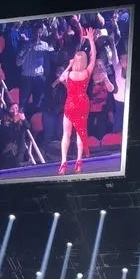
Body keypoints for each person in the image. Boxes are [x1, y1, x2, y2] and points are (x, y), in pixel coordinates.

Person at [57, 27, 96, 175]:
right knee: (81, 132)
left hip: (71, 104)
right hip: (83, 103)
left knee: (66, 134)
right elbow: (94, 56)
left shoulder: (69, 74)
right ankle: (78, 163)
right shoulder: (87, 72)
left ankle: (63, 163)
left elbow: (60, 78)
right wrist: (91, 40)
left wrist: (69, 65)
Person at [16, 24, 54, 112]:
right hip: (26, 78)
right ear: (32, 33)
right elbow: (18, 63)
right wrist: (28, 50)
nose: (38, 35)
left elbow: (50, 59)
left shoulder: (45, 45)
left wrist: (46, 75)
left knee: (38, 102)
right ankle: (22, 118)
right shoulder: (25, 44)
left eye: (40, 33)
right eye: (36, 33)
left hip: (39, 77)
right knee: (23, 102)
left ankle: (35, 117)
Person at [88, 59, 115, 139]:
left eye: (100, 65)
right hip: (90, 109)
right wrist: (94, 82)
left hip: (103, 109)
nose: (98, 67)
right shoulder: (89, 79)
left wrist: (106, 79)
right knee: (90, 131)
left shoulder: (107, 77)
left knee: (101, 131)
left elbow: (111, 90)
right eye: (96, 66)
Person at [0, 103, 29, 169]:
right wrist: (14, 122)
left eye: (16, 108)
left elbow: (27, 127)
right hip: (8, 149)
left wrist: (24, 119)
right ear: (9, 110)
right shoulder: (6, 120)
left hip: (19, 147)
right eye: (12, 108)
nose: (15, 110)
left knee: (18, 166)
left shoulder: (21, 119)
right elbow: (7, 133)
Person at [43, 65, 68, 143]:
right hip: (49, 110)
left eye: (62, 72)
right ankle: (47, 147)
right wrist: (57, 81)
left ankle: (59, 148)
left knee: (60, 134)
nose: (60, 74)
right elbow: (48, 90)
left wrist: (64, 83)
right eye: (59, 72)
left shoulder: (67, 83)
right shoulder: (50, 80)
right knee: (49, 134)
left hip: (61, 112)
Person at [109, 39, 127, 133]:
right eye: (122, 59)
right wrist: (112, 44)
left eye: (125, 59)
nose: (123, 60)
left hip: (128, 99)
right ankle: (116, 135)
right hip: (119, 100)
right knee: (118, 120)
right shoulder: (117, 68)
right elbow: (114, 56)